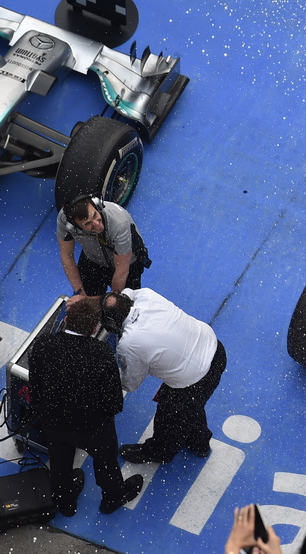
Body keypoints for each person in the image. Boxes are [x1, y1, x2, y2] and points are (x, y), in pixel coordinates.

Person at [27, 298, 144, 516]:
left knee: (60, 462)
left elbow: (36, 386)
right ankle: (112, 498)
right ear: (95, 328)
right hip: (93, 428)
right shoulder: (101, 354)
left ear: (67, 319)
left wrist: (45, 412)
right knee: (106, 462)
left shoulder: (44, 345)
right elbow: (114, 403)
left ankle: (66, 503)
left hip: (54, 422)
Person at [101, 288, 227, 463]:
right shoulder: (146, 295)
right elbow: (128, 291)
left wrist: (106, 377)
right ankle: (199, 443)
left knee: (169, 415)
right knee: (192, 406)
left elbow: (130, 384)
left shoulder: (129, 343)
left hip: (191, 379)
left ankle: (159, 452)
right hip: (215, 350)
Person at [57, 195, 150, 300]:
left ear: (97, 206)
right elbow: (67, 255)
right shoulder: (65, 220)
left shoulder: (119, 224)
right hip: (93, 260)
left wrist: (89, 301)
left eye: (95, 215)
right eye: (87, 224)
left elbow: (122, 271)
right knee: (86, 304)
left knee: (122, 306)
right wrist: (80, 292)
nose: (97, 224)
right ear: (74, 226)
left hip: (127, 264)